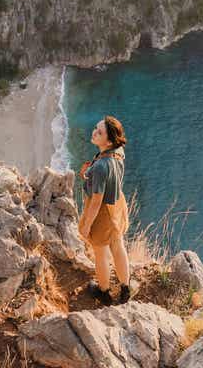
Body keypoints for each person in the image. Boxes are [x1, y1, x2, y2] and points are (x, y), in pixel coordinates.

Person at [78, 115, 132, 304]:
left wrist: (86, 225)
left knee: (100, 253)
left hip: (102, 214)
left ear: (108, 141)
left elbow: (96, 201)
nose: (94, 132)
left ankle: (104, 292)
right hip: (117, 206)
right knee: (118, 246)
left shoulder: (101, 167)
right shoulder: (118, 151)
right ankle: (125, 289)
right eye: (95, 127)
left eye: (99, 132)